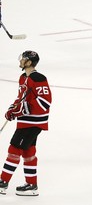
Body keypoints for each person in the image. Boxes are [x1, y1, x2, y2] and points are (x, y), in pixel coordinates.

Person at [0, 51, 52, 196]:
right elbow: (21, 98)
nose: (21, 60)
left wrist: (21, 109)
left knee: (14, 148)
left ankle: (2, 182)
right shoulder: (23, 78)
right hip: (25, 121)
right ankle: (31, 185)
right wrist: (12, 109)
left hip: (34, 122)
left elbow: (45, 101)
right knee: (28, 152)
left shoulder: (39, 78)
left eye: (24, 59)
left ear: (29, 62)